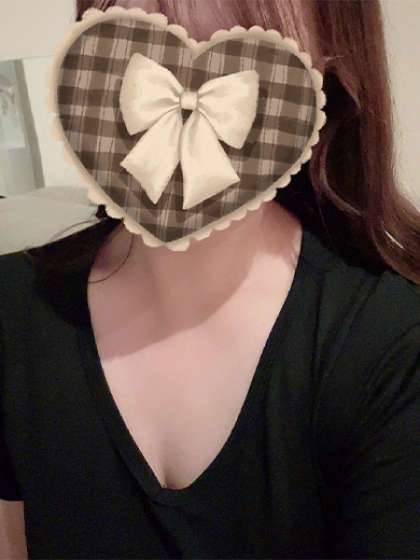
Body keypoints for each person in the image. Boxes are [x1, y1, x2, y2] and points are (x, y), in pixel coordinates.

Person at [1, 0, 420, 558]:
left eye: (245, 27)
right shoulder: (12, 308)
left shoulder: (393, 344)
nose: (188, 65)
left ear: (331, 60)